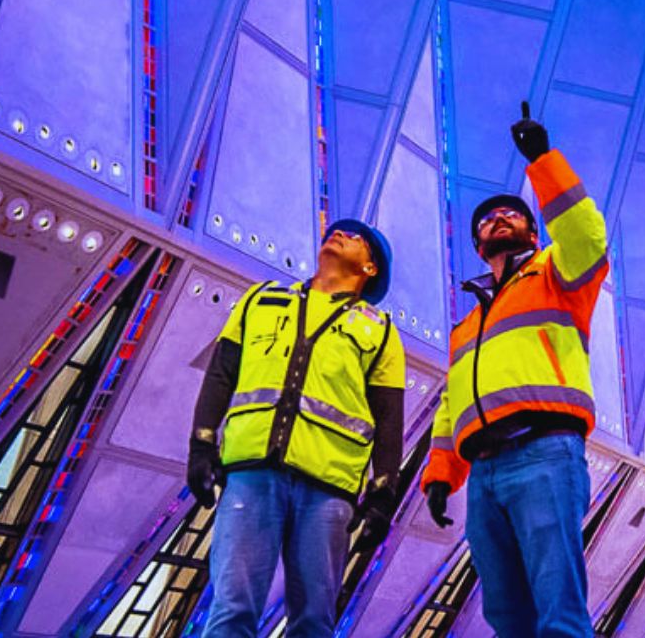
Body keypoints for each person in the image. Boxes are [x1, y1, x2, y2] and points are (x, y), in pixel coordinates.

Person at [419, 103, 610, 638]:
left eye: (512, 215)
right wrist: (440, 475)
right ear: (479, 245)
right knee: (506, 615)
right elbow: (450, 407)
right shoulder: (468, 326)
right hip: (484, 472)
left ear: (531, 233)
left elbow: (587, 238)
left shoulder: (557, 274)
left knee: (559, 609)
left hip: (545, 453)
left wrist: (543, 161)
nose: (499, 218)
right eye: (487, 220)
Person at [187, 219, 405, 638]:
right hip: (252, 474)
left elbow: (389, 420)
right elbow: (220, 374)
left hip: (328, 490)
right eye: (335, 230)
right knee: (232, 610)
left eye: (355, 236)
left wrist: (383, 496)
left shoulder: (380, 331)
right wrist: (201, 443)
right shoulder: (261, 299)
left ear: (370, 269)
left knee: (313, 622)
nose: (338, 233)